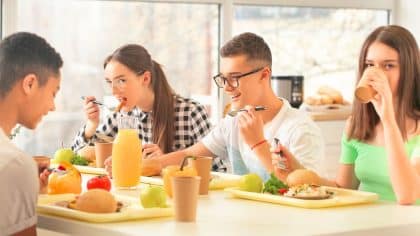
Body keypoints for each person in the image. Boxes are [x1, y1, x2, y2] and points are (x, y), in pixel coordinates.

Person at [106, 32, 324, 181]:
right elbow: (192, 154)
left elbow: (304, 191)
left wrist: (258, 143)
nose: (227, 88)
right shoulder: (233, 121)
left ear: (264, 75)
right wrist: (138, 165)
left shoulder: (300, 130)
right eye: (223, 78)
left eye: (235, 78)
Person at [273, 25, 420, 205]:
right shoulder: (357, 125)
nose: (376, 73)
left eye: (389, 65)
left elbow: (407, 195)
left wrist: (388, 119)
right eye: (370, 65)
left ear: (409, 70)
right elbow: (343, 189)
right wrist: (296, 170)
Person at [71, 44, 226, 172]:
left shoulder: (190, 113)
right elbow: (77, 157)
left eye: (121, 81)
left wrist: (165, 162)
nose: (113, 91)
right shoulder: (122, 116)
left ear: (145, 78)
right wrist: (91, 125)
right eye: (109, 82)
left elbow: (217, 170)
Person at [0, 32, 63, 235]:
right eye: (53, 93)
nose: (53, 106)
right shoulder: (14, 164)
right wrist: (20, 174)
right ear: (30, 84)